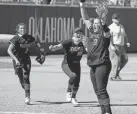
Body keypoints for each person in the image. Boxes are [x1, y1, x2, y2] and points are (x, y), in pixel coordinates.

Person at [79, 0, 112, 114]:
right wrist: (82, 5)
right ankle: (103, 111)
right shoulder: (92, 31)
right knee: (97, 90)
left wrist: (103, 22)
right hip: (93, 65)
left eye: (98, 23)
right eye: (95, 23)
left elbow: (107, 32)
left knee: (101, 89)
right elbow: (86, 19)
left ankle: (108, 112)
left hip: (102, 64)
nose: (96, 25)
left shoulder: (104, 34)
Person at [7, 23, 46, 105]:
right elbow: (9, 51)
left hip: (26, 59)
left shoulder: (29, 37)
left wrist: (41, 51)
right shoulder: (15, 39)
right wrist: (16, 60)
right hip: (17, 60)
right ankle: (24, 87)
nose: (23, 29)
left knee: (26, 76)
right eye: (21, 28)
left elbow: (36, 43)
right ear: (17, 29)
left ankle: (27, 96)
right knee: (21, 79)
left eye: (24, 28)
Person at [49, 27, 85, 105]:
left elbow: (90, 50)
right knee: (73, 76)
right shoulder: (69, 42)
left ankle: (73, 97)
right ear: (73, 34)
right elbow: (59, 46)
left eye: (80, 33)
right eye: (77, 33)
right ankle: (69, 91)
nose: (79, 35)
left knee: (77, 82)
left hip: (77, 64)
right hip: (67, 63)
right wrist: (53, 48)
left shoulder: (83, 43)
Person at [109, 13, 130, 80]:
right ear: (112, 19)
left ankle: (116, 73)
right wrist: (111, 46)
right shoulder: (111, 27)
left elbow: (124, 35)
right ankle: (113, 76)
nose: (117, 19)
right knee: (116, 61)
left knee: (125, 59)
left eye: (118, 18)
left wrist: (127, 41)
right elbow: (109, 38)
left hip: (121, 46)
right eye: (116, 18)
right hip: (115, 46)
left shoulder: (121, 26)